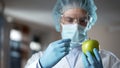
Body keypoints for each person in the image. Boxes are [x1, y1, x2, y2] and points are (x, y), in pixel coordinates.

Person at [25, 0, 120, 68]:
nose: (76, 26)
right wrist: (41, 65)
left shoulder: (109, 59)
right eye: (69, 19)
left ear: (89, 22)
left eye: (82, 20)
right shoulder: (39, 58)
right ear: (59, 20)